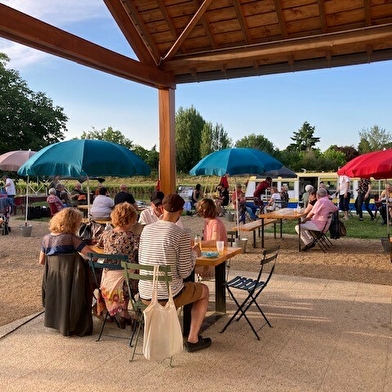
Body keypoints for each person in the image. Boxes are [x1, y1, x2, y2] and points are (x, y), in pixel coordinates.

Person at [138, 194, 211, 353]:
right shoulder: (180, 234)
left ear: (162, 209)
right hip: (168, 295)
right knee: (204, 290)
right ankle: (193, 339)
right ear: (180, 212)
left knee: (182, 286)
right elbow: (185, 273)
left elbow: (142, 258)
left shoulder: (146, 230)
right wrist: (194, 254)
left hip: (144, 293)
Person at [38, 207, 94, 336]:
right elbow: (92, 255)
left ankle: (59, 323)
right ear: (73, 223)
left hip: (53, 278)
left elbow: (41, 261)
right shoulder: (70, 238)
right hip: (72, 280)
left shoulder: (46, 239)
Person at [96, 202, 140, 327]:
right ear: (131, 219)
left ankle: (122, 314)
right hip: (128, 283)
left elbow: (98, 246)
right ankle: (125, 314)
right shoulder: (133, 237)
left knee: (123, 271)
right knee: (132, 270)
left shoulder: (106, 235)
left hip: (107, 281)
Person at [195, 198, 228, 278]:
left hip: (217, 259)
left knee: (188, 268)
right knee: (187, 265)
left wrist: (197, 243)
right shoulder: (207, 222)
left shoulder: (215, 223)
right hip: (210, 256)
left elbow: (215, 242)